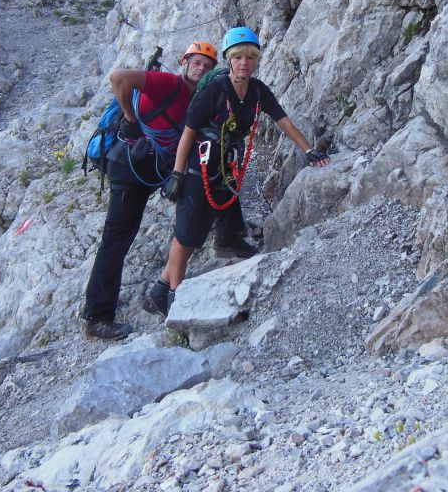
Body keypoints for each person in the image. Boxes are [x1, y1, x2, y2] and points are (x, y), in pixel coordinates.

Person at [143, 26, 330, 317]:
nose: (244, 62)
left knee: (201, 225)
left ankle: (159, 290)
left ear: (256, 61)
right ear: (229, 60)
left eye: (250, 57)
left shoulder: (257, 91)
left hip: (225, 164)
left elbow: (284, 121)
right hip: (198, 164)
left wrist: (308, 150)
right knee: (187, 231)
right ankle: (175, 296)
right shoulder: (214, 90)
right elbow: (188, 133)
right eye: (238, 57)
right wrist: (178, 174)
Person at [80, 41, 249, 339]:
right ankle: (97, 316)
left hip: (161, 167)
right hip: (130, 166)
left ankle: (228, 236)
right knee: (117, 238)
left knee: (214, 178)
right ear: (184, 63)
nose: (201, 69)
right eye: (196, 62)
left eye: (207, 66)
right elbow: (118, 78)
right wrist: (131, 121)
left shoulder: (201, 97)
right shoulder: (166, 83)